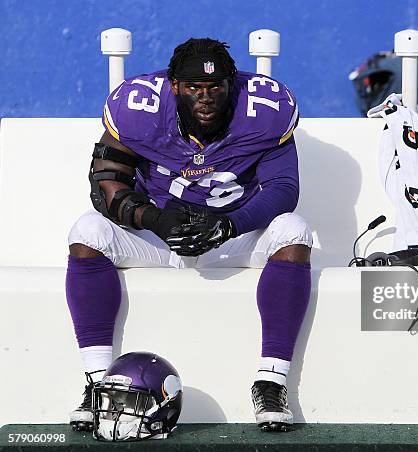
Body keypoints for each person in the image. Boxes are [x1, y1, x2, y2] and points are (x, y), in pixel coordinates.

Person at [66, 37, 312, 434]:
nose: (206, 97)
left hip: (230, 236)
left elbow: (284, 189)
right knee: (86, 231)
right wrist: (156, 220)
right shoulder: (138, 109)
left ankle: (271, 381)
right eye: (194, 87)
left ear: (232, 84)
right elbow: (106, 183)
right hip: (161, 237)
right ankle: (98, 385)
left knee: (295, 230)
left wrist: (230, 224)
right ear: (174, 85)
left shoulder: (265, 111)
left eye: (216, 87)